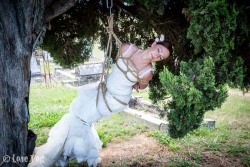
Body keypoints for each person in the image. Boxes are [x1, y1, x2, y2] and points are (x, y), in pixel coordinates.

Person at [28, 35, 172, 167]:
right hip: (103, 89)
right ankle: (66, 151)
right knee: (79, 113)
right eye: (159, 50)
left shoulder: (147, 72)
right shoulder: (127, 48)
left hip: (115, 99)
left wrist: (137, 83)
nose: (157, 56)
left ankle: (59, 152)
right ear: (154, 43)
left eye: (161, 57)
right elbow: (117, 64)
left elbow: (142, 85)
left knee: (82, 118)